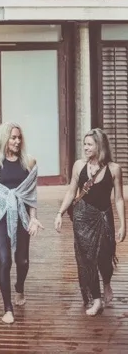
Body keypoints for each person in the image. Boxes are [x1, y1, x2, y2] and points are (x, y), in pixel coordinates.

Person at [54, 128, 126, 316]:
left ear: (99, 146)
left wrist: (123, 224)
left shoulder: (114, 169)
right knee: (87, 259)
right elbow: (71, 191)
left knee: (104, 256)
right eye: (84, 144)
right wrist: (60, 212)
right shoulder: (79, 165)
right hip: (82, 217)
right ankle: (96, 299)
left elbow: (118, 198)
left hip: (103, 217)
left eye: (89, 144)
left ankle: (107, 283)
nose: (85, 148)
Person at [0, 122, 43, 324]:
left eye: (19, 137)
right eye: (13, 137)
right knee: (5, 260)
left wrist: (33, 218)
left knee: (22, 261)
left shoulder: (29, 162)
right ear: (4, 139)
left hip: (23, 216)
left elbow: (31, 195)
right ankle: (7, 308)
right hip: (0, 217)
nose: (17, 141)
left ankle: (20, 287)